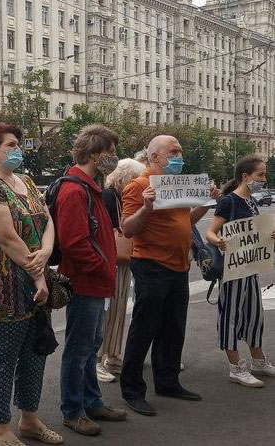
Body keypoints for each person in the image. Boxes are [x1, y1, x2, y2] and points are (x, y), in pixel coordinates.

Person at [0, 123, 63, 446]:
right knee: (3, 358)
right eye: (11, 144)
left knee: (34, 353)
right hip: (7, 284)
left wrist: (48, 250)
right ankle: (0, 428)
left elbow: (47, 219)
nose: (17, 149)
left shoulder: (24, 181)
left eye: (18, 144)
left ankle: (30, 419)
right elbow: (7, 237)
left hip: (36, 281)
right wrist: (38, 271)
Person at [120, 135, 219, 417]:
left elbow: (185, 222)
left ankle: (168, 381)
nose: (180, 157)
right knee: (144, 328)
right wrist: (146, 207)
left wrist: (207, 203)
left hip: (178, 265)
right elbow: (127, 228)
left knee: (174, 327)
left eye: (180, 151)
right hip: (151, 265)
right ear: (155, 157)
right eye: (174, 152)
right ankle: (132, 389)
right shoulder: (138, 186)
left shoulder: (176, 187)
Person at [55, 125, 127, 437]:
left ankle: (92, 401)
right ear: (95, 154)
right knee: (79, 349)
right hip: (86, 283)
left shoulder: (90, 187)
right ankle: (73, 411)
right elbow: (74, 243)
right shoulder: (75, 190)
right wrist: (103, 268)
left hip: (96, 282)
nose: (114, 158)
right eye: (110, 152)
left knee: (91, 345)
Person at [206, 155, 275, 387]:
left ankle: (258, 360)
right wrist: (219, 242)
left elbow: (254, 235)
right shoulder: (229, 201)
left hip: (250, 268)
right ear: (246, 177)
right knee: (231, 316)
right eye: (260, 175)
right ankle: (235, 367)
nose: (263, 180)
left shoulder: (251, 202)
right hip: (233, 270)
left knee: (255, 315)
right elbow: (211, 232)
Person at [97, 159, 146, 382]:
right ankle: (99, 358)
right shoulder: (108, 196)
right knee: (108, 312)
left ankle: (112, 354)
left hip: (121, 262)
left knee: (117, 311)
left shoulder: (117, 196)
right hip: (112, 261)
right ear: (125, 178)